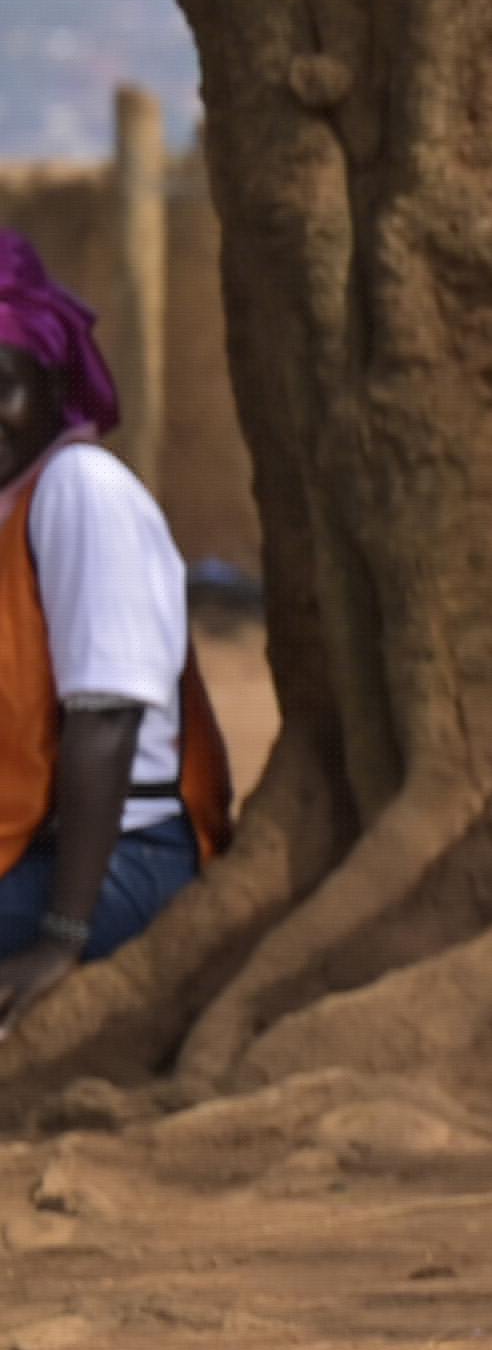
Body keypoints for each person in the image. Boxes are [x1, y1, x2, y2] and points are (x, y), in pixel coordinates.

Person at [0, 237, 230, 1033]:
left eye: (3, 387)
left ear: (53, 382)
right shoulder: (13, 508)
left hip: (123, 856)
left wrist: (61, 937)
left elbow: (104, 720)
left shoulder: (81, 490)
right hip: (34, 846)